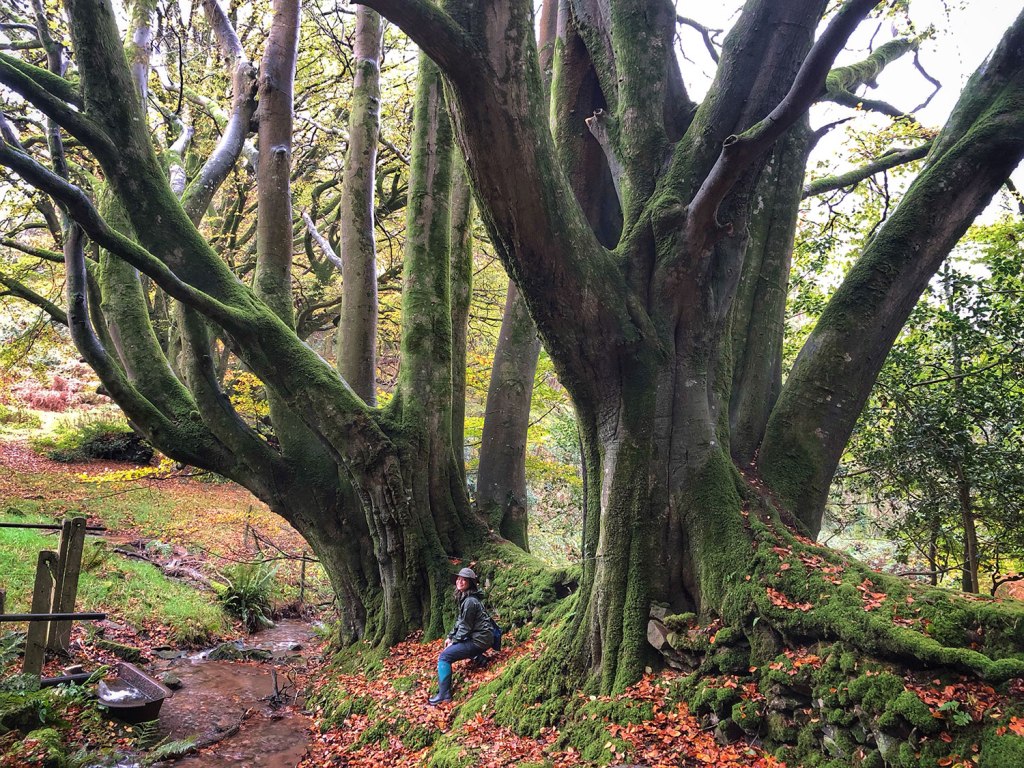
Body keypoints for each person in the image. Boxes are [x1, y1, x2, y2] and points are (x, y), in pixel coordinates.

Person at [428, 567, 495, 705]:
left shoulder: (470, 601)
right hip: (481, 637)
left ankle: (444, 695)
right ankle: (480, 658)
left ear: (470, 583)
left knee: (444, 657)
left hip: (480, 640)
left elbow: (465, 627)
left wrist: (454, 641)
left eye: (464, 580)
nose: (460, 581)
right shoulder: (466, 598)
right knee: (458, 645)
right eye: (459, 579)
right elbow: (460, 620)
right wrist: (450, 636)